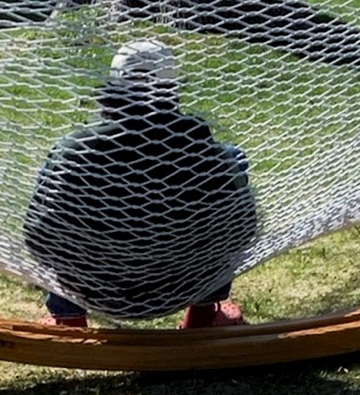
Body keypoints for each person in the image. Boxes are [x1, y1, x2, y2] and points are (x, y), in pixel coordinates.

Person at [24, 39, 259, 329]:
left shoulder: (73, 152)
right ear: (172, 90)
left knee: (58, 181)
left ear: (112, 89)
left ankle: (68, 317)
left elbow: (38, 234)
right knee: (233, 159)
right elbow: (243, 229)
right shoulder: (203, 151)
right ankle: (203, 313)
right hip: (184, 283)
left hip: (94, 289)